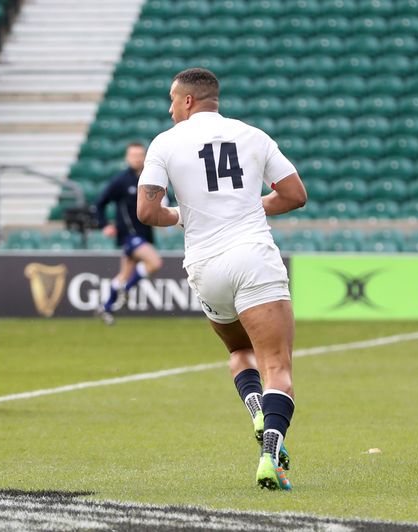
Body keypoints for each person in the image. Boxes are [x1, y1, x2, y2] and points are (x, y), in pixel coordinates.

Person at [136, 68, 307, 491]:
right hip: (253, 258)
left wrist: (179, 215)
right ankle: (270, 453)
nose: (170, 108)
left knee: (239, 352)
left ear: (189, 101)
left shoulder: (165, 142)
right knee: (278, 366)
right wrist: (251, 207)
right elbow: (295, 195)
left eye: (173, 100)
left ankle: (254, 408)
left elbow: (147, 212)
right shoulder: (253, 135)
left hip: (205, 267)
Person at [93, 142, 164, 325]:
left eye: (140, 155)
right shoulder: (121, 181)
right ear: (127, 158)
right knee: (154, 263)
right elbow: (100, 202)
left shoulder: (149, 178)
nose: (137, 158)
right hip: (129, 235)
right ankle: (127, 288)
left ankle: (106, 307)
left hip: (144, 234)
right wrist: (104, 225)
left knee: (124, 274)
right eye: (133, 155)